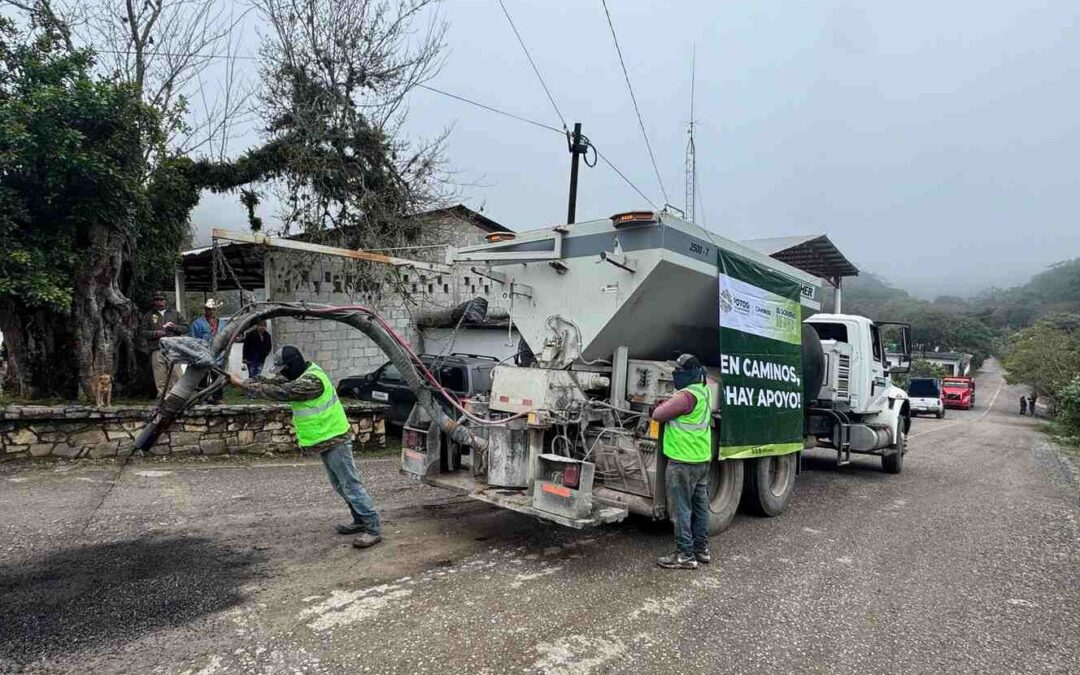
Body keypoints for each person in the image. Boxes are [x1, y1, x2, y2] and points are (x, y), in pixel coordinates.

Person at [230, 346, 383, 548]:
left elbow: (283, 391)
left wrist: (242, 384)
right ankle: (360, 520)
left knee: (350, 485)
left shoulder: (312, 381)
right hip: (325, 439)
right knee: (340, 485)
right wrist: (245, 381)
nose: (282, 374)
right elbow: (273, 382)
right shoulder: (299, 374)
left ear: (293, 364)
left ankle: (373, 529)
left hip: (335, 438)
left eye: (284, 369)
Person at [651, 353, 713, 570]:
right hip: (701, 459)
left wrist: (661, 406)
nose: (675, 373)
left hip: (683, 461)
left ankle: (685, 555)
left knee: (681, 509)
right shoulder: (703, 390)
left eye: (679, 370)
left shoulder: (686, 396)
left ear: (689, 373)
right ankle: (701, 550)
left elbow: (658, 415)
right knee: (700, 508)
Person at [142, 292, 188, 397]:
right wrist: (155, 333)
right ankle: (162, 396)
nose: (159, 302)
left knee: (176, 372)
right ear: (154, 301)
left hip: (173, 348)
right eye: (156, 300)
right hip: (156, 348)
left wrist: (174, 327)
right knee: (159, 374)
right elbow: (142, 332)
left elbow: (186, 328)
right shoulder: (149, 315)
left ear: (165, 301)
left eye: (161, 300)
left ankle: (176, 396)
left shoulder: (175, 313)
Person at [189, 299, 224, 402]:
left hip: (218, 355)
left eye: (214, 309)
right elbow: (193, 339)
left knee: (217, 376)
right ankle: (202, 398)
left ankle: (218, 398)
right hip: (202, 354)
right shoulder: (197, 323)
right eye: (209, 309)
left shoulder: (222, 323)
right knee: (202, 377)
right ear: (205, 310)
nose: (211, 311)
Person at [242, 321, 273, 399]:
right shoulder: (250, 334)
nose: (262, 327)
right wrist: (244, 358)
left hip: (261, 359)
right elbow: (245, 347)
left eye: (264, 326)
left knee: (258, 375)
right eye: (261, 325)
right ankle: (251, 393)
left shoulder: (267, 335)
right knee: (252, 375)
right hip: (251, 358)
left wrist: (265, 354)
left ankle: (257, 392)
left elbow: (269, 346)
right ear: (257, 326)